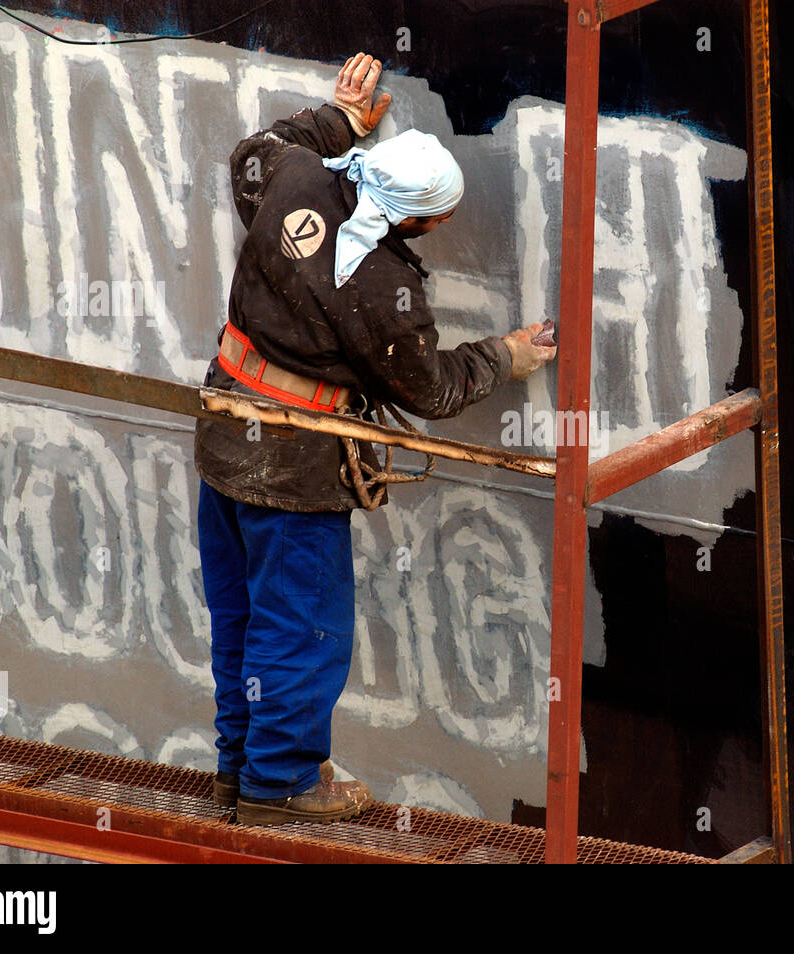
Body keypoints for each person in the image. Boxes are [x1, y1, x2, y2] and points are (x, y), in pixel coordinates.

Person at [194, 52, 556, 825]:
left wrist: (337, 121)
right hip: (292, 462)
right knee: (299, 627)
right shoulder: (383, 282)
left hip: (226, 426)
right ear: (413, 218)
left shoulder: (294, 175)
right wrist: (509, 355)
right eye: (437, 222)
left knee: (243, 620)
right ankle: (280, 788)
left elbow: (253, 152)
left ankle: (238, 770)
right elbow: (429, 387)